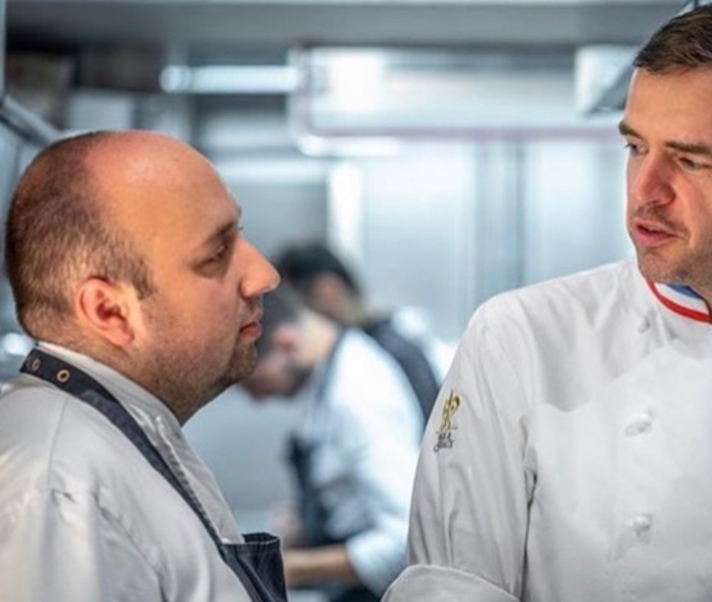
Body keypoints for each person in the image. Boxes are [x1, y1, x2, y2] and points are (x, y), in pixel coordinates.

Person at [383, 1, 712, 601]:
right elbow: (450, 589)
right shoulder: (520, 339)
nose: (645, 192)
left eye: (689, 159)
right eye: (635, 148)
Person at [0, 130, 286, 602]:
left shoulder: (118, 440)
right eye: (216, 254)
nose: (265, 275)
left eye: (240, 232)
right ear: (109, 311)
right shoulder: (63, 492)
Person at [240, 284, 423, 602]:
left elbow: (407, 540)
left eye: (251, 382)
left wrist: (290, 568)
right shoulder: (329, 374)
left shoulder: (357, 395)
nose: (256, 399)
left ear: (285, 343)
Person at [275, 243, 441, 422]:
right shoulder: (358, 355)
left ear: (329, 290)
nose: (293, 331)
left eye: (295, 313)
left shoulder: (380, 358)